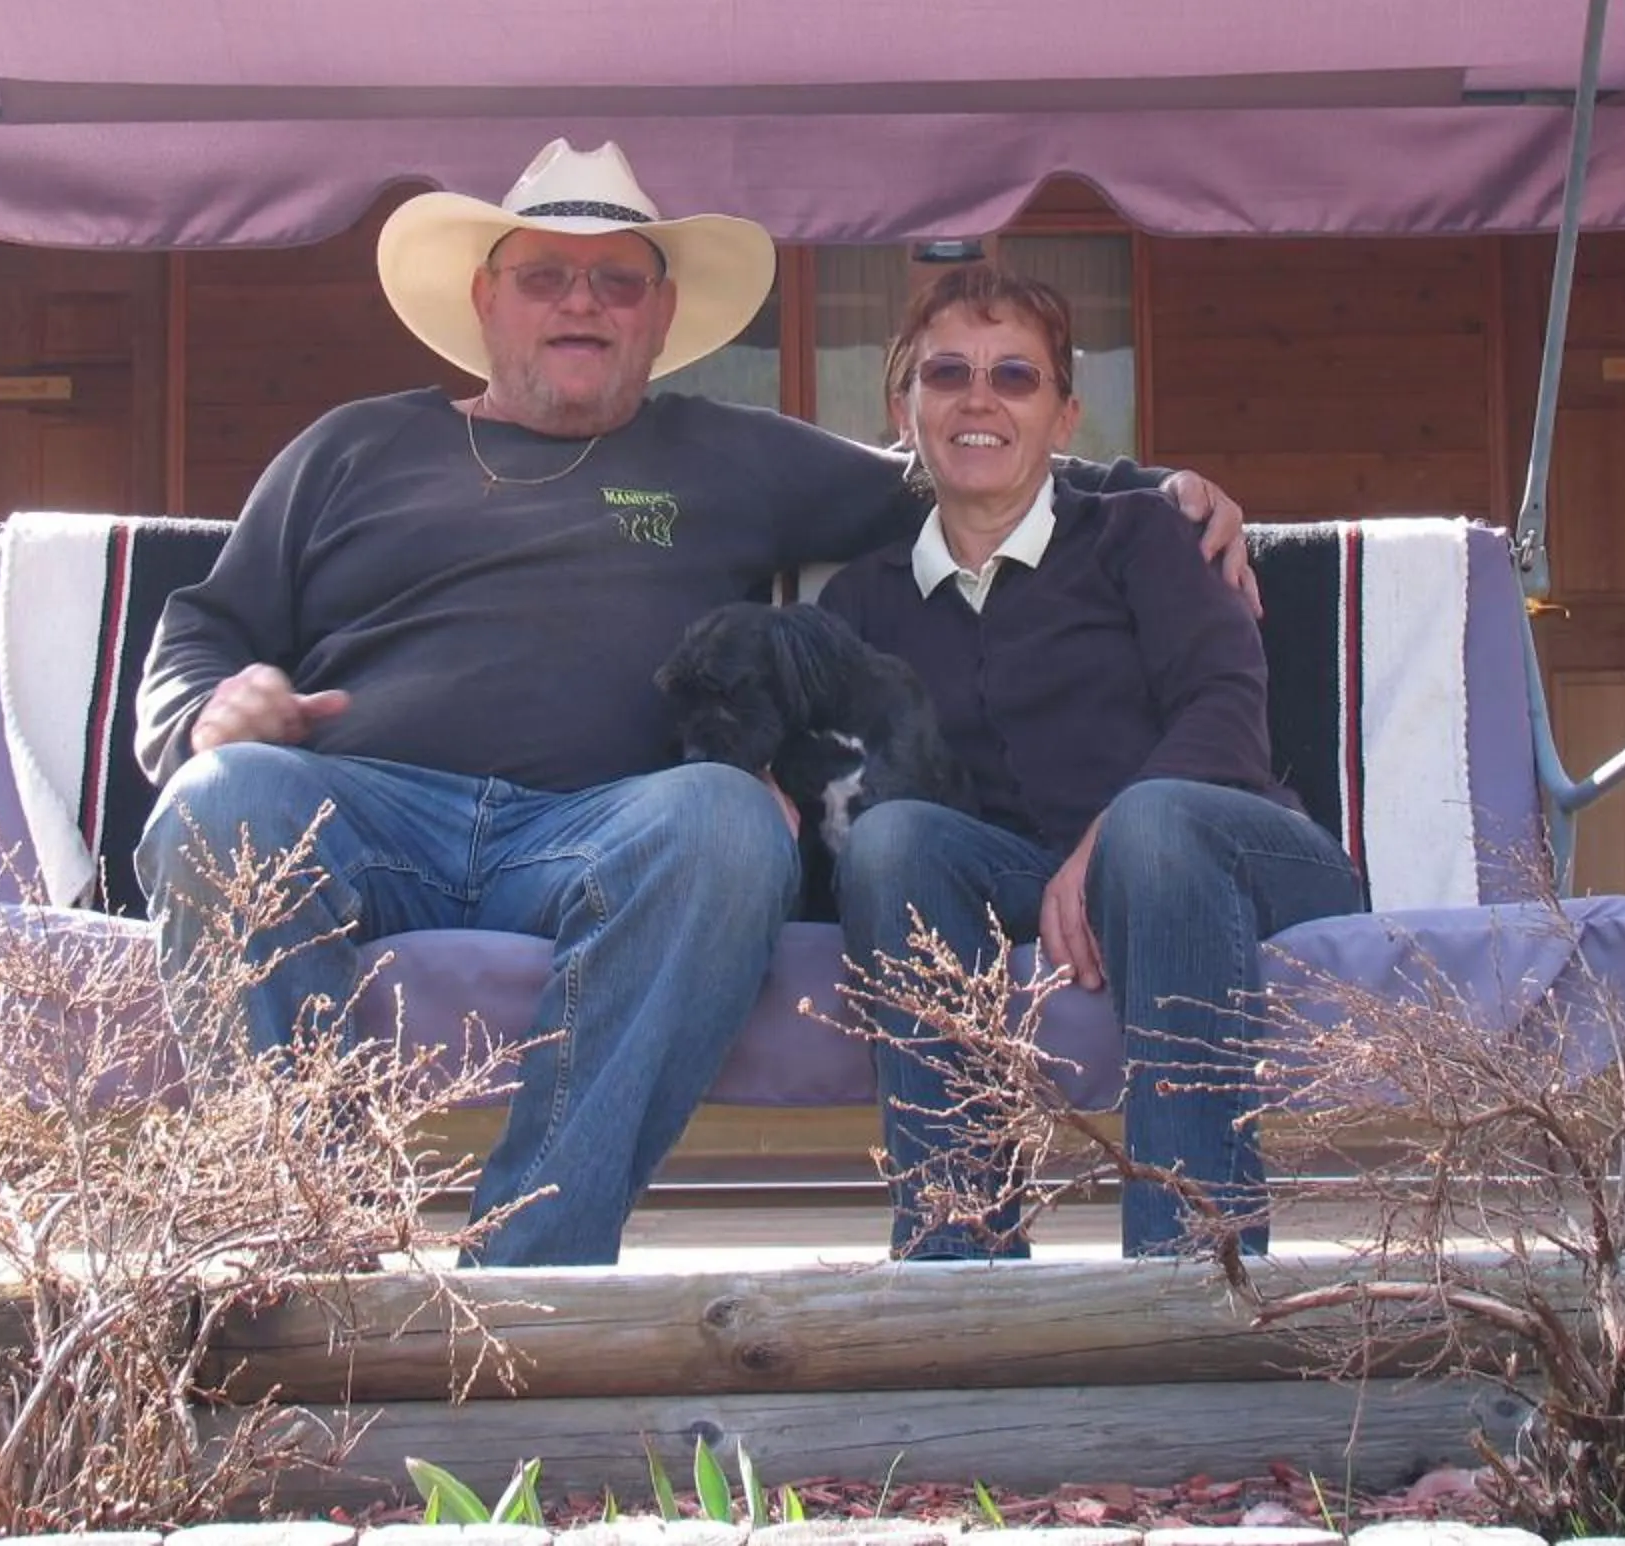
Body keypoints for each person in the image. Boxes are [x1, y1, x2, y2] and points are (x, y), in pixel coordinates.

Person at [131, 141, 1250, 1267]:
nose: (582, 303)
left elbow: (961, 454)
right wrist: (210, 711)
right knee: (219, 799)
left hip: (605, 833)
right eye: (544, 277)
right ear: (484, 299)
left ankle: (529, 1276)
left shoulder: (723, 453)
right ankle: (303, 1244)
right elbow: (202, 628)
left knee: (723, 822)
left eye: (617, 280)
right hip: (364, 808)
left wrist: (1163, 492)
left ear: (659, 317)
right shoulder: (350, 449)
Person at [822, 264, 1362, 1261]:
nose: (978, 400)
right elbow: (833, 768)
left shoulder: (1145, 534)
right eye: (948, 373)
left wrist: (1110, 838)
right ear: (906, 408)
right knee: (895, 840)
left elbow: (1226, 710)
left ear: (1065, 417)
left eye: (1015, 377)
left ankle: (1193, 1271)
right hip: (1029, 874)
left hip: (1235, 853)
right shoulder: (867, 602)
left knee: (1155, 827)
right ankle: (960, 1258)